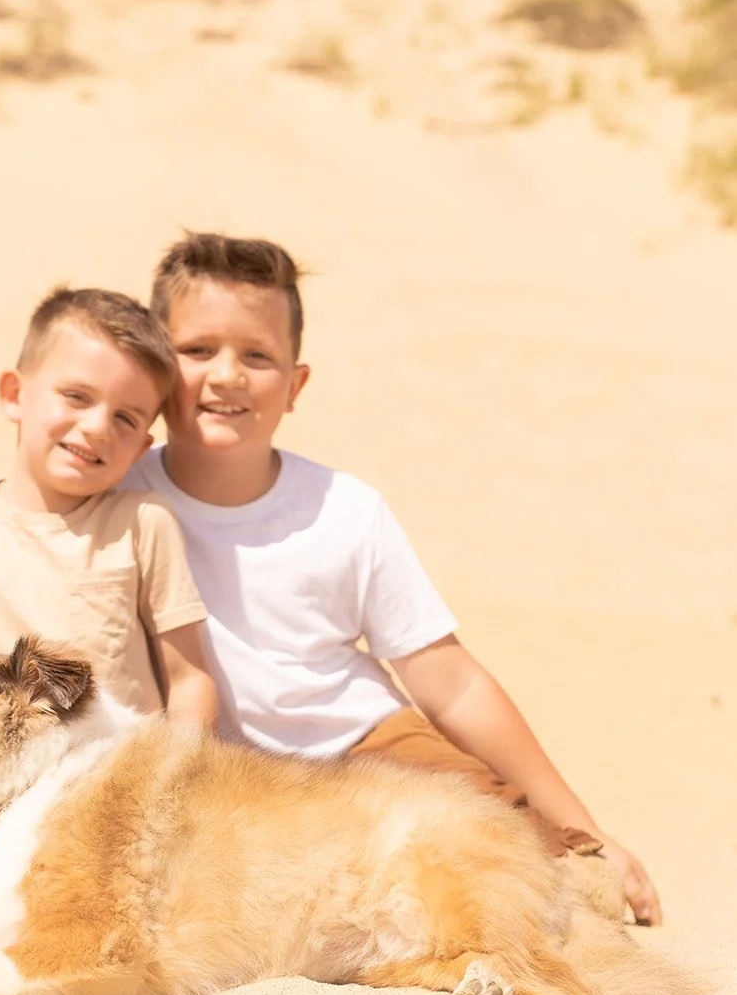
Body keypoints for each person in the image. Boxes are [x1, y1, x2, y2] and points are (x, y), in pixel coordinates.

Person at [122, 233, 660, 924]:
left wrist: (587, 830)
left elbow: (450, 679)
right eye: (197, 351)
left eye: (257, 355)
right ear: (158, 366)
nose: (227, 375)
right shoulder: (121, 499)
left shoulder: (343, 509)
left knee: (519, 850)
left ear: (295, 385)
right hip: (230, 779)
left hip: (365, 746)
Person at [0, 285, 217, 726]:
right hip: (8, 783)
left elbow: (189, 679)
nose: (97, 427)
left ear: (142, 446)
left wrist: (179, 781)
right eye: (76, 397)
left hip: (130, 783)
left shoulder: (143, 522)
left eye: (126, 418)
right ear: (15, 394)